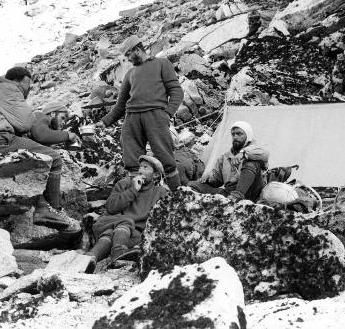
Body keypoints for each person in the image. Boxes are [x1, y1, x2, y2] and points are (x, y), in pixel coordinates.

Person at [0, 66, 73, 229]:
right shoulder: (10, 88)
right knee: (54, 159)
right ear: (16, 80)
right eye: (27, 83)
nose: (28, 89)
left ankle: (43, 206)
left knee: (28, 164)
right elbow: (26, 122)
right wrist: (66, 136)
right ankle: (54, 210)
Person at [95, 35, 184, 190]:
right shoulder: (130, 74)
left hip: (155, 115)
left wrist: (167, 113)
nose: (128, 59)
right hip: (131, 119)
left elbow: (176, 91)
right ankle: (139, 198)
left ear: (137, 49)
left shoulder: (162, 64)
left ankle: (177, 196)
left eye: (129, 54)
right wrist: (104, 122)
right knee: (132, 161)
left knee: (165, 158)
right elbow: (120, 105)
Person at [86, 154, 168, 269]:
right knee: (126, 221)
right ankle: (118, 256)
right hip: (108, 222)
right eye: (140, 167)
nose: (140, 171)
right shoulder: (124, 184)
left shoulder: (160, 192)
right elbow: (111, 207)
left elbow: (161, 219)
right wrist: (133, 190)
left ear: (155, 175)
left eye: (145, 168)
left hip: (131, 233)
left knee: (111, 235)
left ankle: (91, 258)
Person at [189, 121, 269, 202]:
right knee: (192, 185)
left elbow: (265, 153)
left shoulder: (258, 149)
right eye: (233, 134)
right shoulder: (225, 157)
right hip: (229, 192)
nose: (235, 137)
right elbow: (217, 180)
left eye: (239, 134)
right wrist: (208, 178)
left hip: (252, 191)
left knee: (251, 163)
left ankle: (237, 195)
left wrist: (244, 153)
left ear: (248, 135)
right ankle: (232, 197)